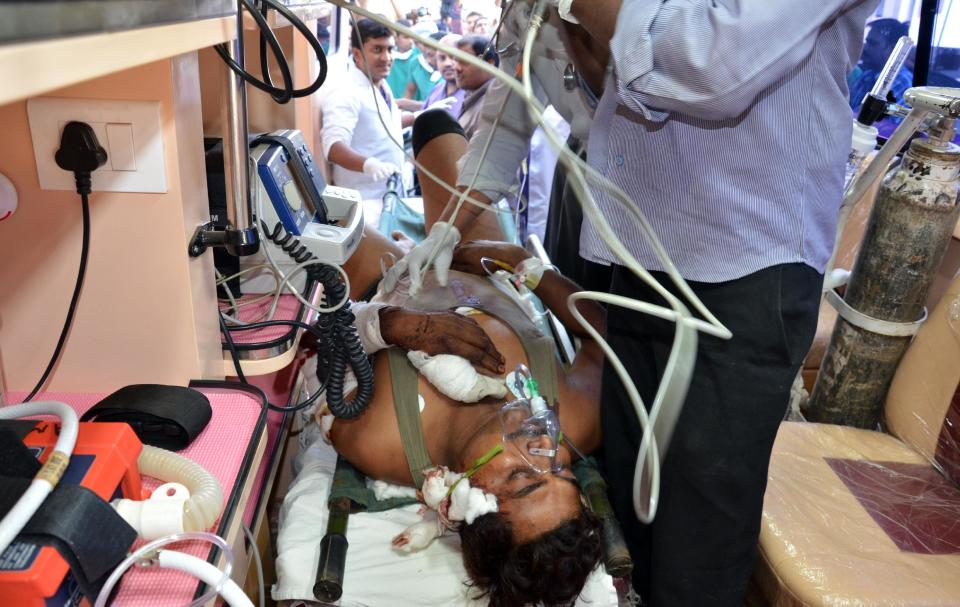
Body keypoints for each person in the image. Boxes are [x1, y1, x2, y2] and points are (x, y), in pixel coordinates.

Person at [545, 1, 881, 605]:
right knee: (631, 527)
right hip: (642, 245)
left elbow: (706, 61)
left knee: (692, 564)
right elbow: (611, 73)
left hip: (743, 264)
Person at [320, 18, 413, 201]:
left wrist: (418, 116)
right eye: (377, 49)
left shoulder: (381, 84)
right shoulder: (345, 91)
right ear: (357, 53)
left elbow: (380, 125)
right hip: (366, 199)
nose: (386, 58)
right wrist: (368, 165)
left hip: (390, 192)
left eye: (390, 49)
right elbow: (333, 146)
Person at [848, 18, 913, 113]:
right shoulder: (868, 75)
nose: (864, 47)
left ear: (893, 49)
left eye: (872, 43)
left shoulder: (900, 81)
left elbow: (866, 120)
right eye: (866, 42)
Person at [453, 35, 499, 138]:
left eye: (464, 61)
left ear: (489, 64)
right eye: (456, 61)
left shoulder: (492, 105)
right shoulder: (470, 96)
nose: (456, 67)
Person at [422, 34, 466, 117]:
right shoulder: (436, 91)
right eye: (442, 58)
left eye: (454, 57)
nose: (447, 63)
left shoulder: (471, 95)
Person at [404, 21, 444, 102]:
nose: (422, 46)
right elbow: (410, 91)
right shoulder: (415, 63)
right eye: (417, 43)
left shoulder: (448, 67)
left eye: (426, 42)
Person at [385, 18, 421, 105]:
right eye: (406, 37)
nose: (410, 41)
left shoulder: (419, 57)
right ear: (395, 38)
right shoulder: (387, 57)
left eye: (412, 37)